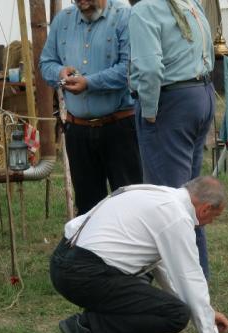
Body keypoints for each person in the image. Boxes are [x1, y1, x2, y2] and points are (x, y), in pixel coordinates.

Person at [49, 176, 228, 333]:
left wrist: (207, 315)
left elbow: (165, 270)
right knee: (175, 314)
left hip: (64, 261)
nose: (210, 222)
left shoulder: (158, 195)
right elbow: (189, 279)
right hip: (83, 273)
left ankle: (93, 322)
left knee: (151, 285)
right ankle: (87, 330)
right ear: (205, 209)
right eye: (215, 217)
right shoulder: (177, 218)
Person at [127, 0, 215, 279]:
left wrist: (150, 111)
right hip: (200, 94)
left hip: (172, 102)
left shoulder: (144, 10)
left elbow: (150, 69)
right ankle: (196, 271)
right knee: (188, 194)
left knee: (169, 201)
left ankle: (185, 279)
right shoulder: (188, 2)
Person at [39, 0, 142, 215]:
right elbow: (46, 62)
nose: (80, 1)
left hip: (120, 127)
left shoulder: (126, 16)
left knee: (130, 205)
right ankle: (93, 249)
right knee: (87, 209)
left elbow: (129, 68)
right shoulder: (62, 21)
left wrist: (89, 83)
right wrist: (60, 72)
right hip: (78, 129)